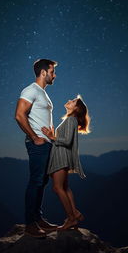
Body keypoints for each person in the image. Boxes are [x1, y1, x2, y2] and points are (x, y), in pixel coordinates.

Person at [15, 59, 58, 237]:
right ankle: (30, 224)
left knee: (42, 182)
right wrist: (34, 137)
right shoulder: (30, 90)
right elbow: (19, 115)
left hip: (47, 144)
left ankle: (38, 219)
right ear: (43, 73)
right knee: (36, 181)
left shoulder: (43, 93)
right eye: (52, 72)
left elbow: (42, 119)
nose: (54, 75)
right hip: (37, 145)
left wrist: (51, 136)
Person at [41, 95, 91, 230]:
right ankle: (74, 212)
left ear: (76, 108)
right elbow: (65, 138)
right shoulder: (71, 120)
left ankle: (71, 219)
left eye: (73, 101)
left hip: (61, 156)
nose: (69, 100)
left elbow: (67, 140)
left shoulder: (70, 120)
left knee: (57, 188)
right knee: (64, 187)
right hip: (63, 156)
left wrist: (52, 137)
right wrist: (53, 136)